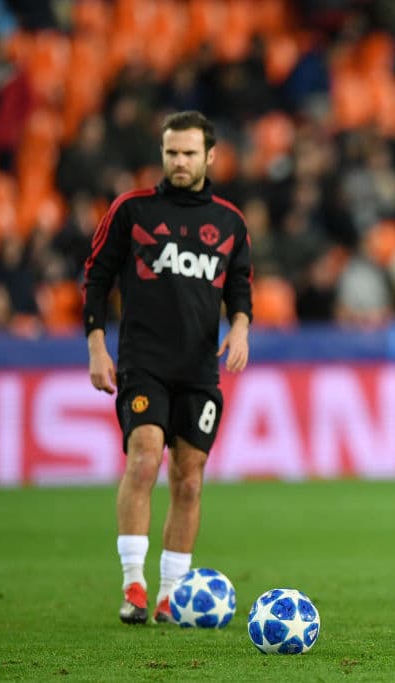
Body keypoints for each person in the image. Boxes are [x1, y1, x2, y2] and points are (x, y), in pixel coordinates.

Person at [82, 111, 252, 624]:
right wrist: (95, 343)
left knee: (190, 479)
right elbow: (97, 275)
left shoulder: (229, 221)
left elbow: (240, 283)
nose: (179, 161)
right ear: (163, 153)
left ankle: (171, 594)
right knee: (144, 456)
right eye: (172, 152)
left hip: (199, 368)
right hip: (142, 362)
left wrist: (241, 327)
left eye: (189, 153)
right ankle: (134, 583)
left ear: (210, 157)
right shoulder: (132, 209)